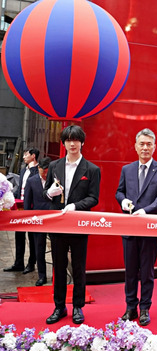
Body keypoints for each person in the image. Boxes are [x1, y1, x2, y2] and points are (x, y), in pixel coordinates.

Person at [43, 125, 101, 324]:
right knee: (58, 267)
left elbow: (94, 198)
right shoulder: (54, 166)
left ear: (82, 142)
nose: (72, 143)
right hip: (58, 224)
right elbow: (46, 194)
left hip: (79, 223)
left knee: (78, 267)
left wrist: (76, 206)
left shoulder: (92, 169)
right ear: (64, 143)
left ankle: (78, 306)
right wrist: (50, 193)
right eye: (68, 140)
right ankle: (59, 306)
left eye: (76, 140)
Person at [115, 129, 157, 326]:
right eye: (142, 144)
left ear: (154, 147)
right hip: (130, 228)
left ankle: (145, 308)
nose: (145, 147)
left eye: (149, 144)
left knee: (147, 271)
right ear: (136, 146)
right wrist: (122, 202)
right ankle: (130, 307)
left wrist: (145, 211)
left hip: (150, 228)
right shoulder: (127, 169)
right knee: (130, 270)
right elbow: (119, 192)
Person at [4, 148, 39, 273]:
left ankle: (31, 264)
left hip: (32, 208)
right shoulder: (24, 170)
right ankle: (18, 263)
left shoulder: (37, 171)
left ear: (33, 156)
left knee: (32, 237)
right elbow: (20, 188)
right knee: (19, 234)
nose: (24, 157)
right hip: (20, 207)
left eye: (26, 155)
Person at [23, 157, 51, 286]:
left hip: (53, 219)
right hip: (38, 220)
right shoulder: (32, 181)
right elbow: (27, 203)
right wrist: (28, 219)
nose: (44, 174)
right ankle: (42, 275)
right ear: (38, 168)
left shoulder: (55, 179)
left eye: (47, 171)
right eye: (42, 171)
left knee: (57, 248)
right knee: (39, 249)